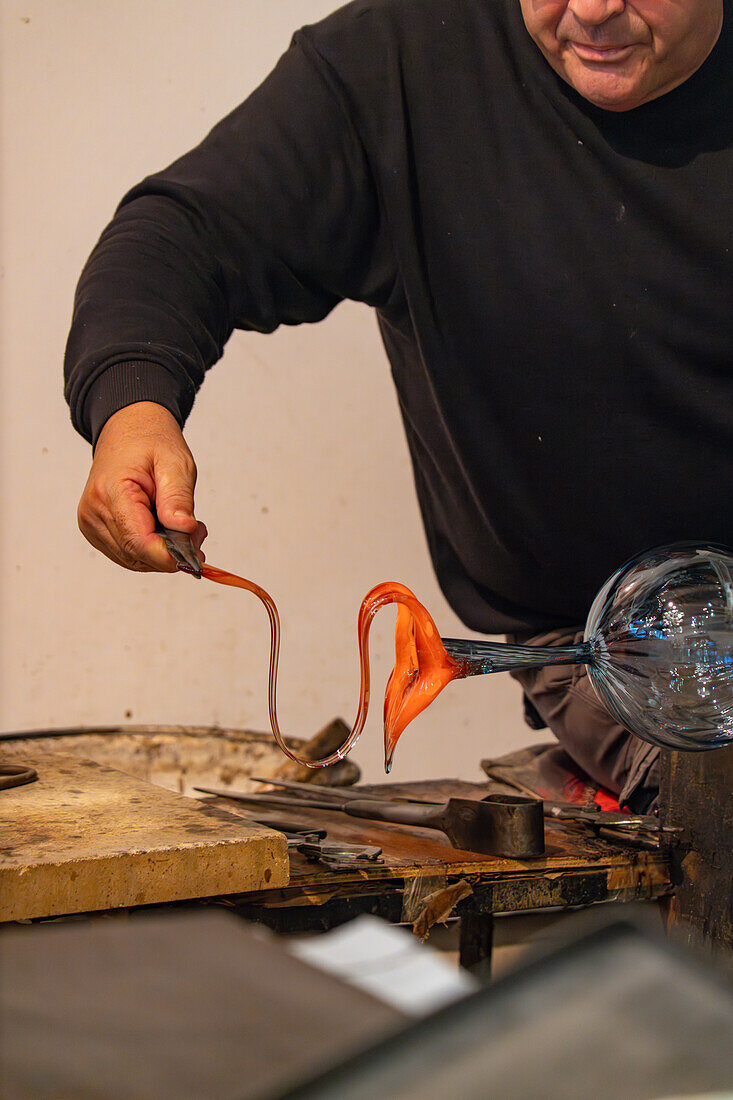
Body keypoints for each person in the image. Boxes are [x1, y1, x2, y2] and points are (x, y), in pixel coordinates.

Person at [65, 0, 732, 811]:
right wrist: (133, 408)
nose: (590, 8)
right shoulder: (401, 66)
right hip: (605, 650)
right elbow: (185, 236)